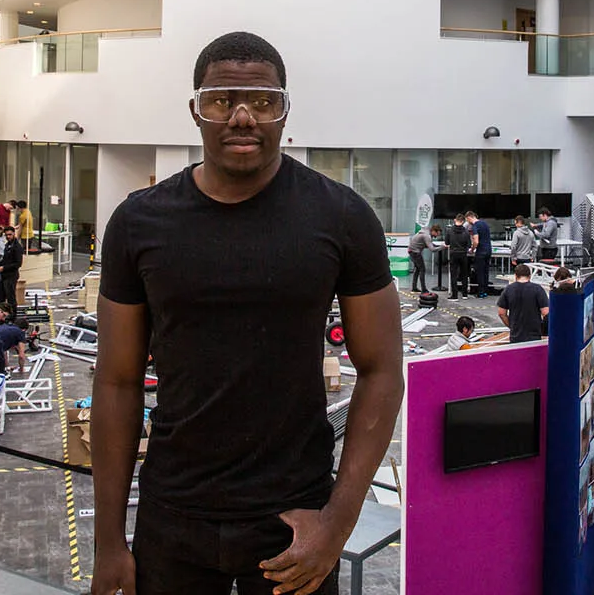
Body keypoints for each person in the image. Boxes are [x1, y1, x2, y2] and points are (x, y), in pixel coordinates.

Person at [91, 30, 403, 595]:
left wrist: (336, 524)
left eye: (262, 102)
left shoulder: (342, 218)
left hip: (294, 522)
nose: (241, 117)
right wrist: (109, 542)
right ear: (195, 111)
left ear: (285, 112)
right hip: (173, 516)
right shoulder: (139, 223)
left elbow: (382, 371)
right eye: (220, 100)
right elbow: (116, 381)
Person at [497, 263, 550, 344]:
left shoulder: (508, 289)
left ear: (515, 276)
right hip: (534, 334)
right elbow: (546, 313)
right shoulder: (538, 289)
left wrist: (511, 326)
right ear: (529, 275)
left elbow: (501, 313)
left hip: (516, 335)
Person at [466, 211, 493, 298]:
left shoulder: (475, 226)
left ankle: (480, 292)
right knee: (486, 272)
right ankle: (485, 291)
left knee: (480, 272)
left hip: (481, 251)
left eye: (467, 220)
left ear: (469, 217)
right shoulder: (485, 224)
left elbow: (476, 241)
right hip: (488, 250)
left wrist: (472, 249)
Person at [0, 225, 24, 313]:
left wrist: (4, 267)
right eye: (6, 235)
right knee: (0, 296)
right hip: (4, 275)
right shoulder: (8, 245)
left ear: (14, 234)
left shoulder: (17, 247)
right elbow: (5, 260)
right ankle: (1, 314)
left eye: (10, 235)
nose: (8, 237)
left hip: (11, 275)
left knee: (11, 298)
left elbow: (18, 263)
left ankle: (12, 316)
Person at [444, 214, 471, 300]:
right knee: (464, 274)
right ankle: (465, 294)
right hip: (463, 254)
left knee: (453, 274)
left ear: (455, 220)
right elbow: (469, 244)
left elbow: (447, 243)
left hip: (453, 254)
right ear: (463, 221)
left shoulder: (449, 231)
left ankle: (454, 295)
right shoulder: (466, 232)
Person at [407, 225, 440, 294]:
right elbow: (432, 249)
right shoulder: (426, 236)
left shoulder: (424, 233)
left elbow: (427, 244)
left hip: (411, 251)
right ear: (434, 231)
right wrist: (443, 247)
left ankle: (414, 287)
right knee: (422, 269)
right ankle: (424, 289)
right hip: (415, 252)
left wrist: (437, 246)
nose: (438, 235)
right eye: (437, 233)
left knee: (418, 269)